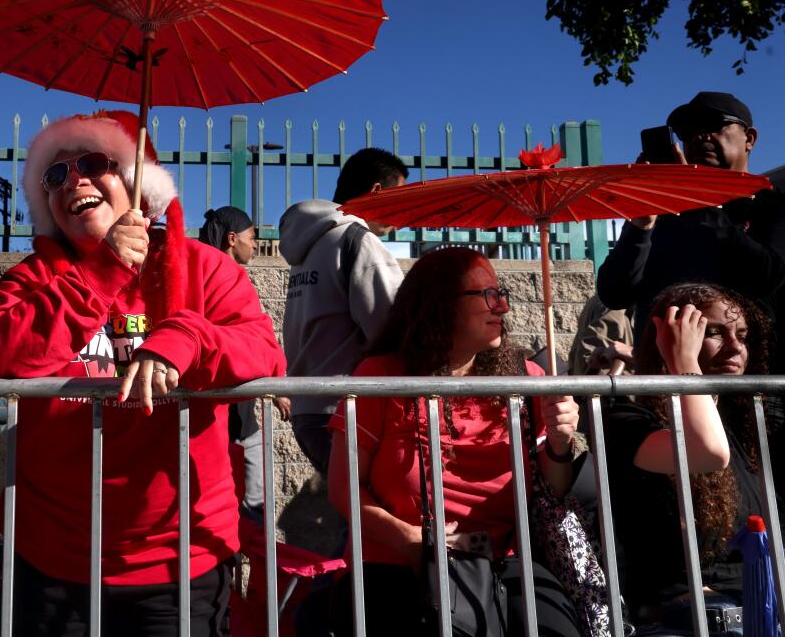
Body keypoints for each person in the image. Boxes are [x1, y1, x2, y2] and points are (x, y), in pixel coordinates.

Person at [0, 110, 286, 635]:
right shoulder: (30, 277)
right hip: (53, 560)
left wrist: (185, 337)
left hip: (181, 559)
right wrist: (103, 271)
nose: (74, 179)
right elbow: (6, 351)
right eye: (56, 175)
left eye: (95, 163)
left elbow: (262, 351)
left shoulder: (204, 267)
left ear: (139, 183)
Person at [327, 247, 583, 637]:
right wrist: (412, 540)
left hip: (503, 560)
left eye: (502, 295)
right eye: (487, 296)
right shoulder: (381, 375)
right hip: (398, 563)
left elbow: (554, 490)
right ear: (439, 304)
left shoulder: (526, 376)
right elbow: (343, 487)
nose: (503, 308)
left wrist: (560, 444)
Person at [602, 283, 775, 628]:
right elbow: (706, 452)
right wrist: (682, 361)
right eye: (712, 333)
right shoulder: (625, 418)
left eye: (742, 334)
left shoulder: (751, 416)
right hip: (692, 615)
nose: (735, 346)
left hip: (768, 603)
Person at [597, 92, 785, 362]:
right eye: (688, 131)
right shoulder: (663, 214)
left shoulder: (771, 204)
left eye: (713, 125)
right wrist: (641, 222)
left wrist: (698, 203)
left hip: (750, 384)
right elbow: (614, 294)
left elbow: (766, 276)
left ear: (750, 138)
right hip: (668, 388)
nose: (700, 137)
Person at [279, 147, 407, 478]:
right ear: (378, 190)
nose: (400, 215)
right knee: (369, 518)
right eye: (400, 196)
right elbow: (392, 326)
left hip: (307, 404)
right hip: (345, 406)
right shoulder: (355, 239)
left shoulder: (311, 241)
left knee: (350, 512)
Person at [197, 205, 276, 525]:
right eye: (251, 237)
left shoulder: (214, 273)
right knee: (240, 508)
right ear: (232, 239)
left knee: (247, 505)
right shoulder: (216, 276)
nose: (255, 244)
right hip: (222, 417)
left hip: (233, 414)